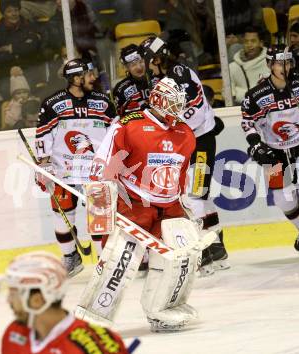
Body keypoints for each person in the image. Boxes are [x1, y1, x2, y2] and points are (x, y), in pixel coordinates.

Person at [87, 76, 198, 332]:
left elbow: (182, 172)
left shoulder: (185, 132)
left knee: (178, 259)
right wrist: (100, 205)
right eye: (173, 103)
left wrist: (185, 202)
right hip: (135, 204)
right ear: (158, 101)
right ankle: (95, 316)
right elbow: (102, 166)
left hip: (170, 207)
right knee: (119, 262)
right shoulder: (129, 126)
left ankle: (161, 311)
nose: (178, 110)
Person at [140, 36, 229, 276]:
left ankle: (207, 250)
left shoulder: (177, 74)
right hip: (192, 142)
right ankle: (217, 249)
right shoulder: (165, 77)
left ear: (156, 58)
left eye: (148, 60)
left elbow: (190, 106)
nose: (146, 65)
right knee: (200, 196)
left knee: (195, 196)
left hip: (200, 142)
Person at [241, 44, 299, 264]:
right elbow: (247, 122)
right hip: (273, 149)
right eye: (280, 63)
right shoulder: (256, 94)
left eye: (288, 62)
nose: (285, 67)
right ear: (270, 65)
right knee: (281, 198)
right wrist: (255, 145)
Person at [35, 58, 117, 276]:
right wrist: (43, 166)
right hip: (64, 170)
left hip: (95, 171)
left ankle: (103, 262)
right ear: (75, 78)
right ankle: (71, 257)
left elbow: (116, 134)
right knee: (62, 218)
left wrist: (115, 162)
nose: (93, 77)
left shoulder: (103, 101)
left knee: (99, 219)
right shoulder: (53, 103)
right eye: (87, 74)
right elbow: (43, 135)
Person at [0, 251, 128, 354]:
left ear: (37, 300)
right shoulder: (14, 333)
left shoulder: (95, 346)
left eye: (13, 294)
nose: (8, 300)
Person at [0, 0, 42, 100]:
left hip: (29, 69)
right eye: (9, 11)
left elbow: (34, 46)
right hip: (7, 73)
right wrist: (11, 68)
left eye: (16, 10)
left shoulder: (29, 25)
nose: (14, 14)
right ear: (3, 13)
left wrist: (12, 48)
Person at [113, 44, 162, 116]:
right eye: (133, 65)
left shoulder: (159, 77)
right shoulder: (121, 89)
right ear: (126, 67)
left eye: (141, 61)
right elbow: (121, 116)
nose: (139, 67)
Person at [229, 26, 270, 105]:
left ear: (261, 43)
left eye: (253, 41)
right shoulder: (233, 67)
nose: (249, 45)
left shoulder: (270, 64)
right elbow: (227, 94)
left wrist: (239, 92)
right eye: (246, 41)